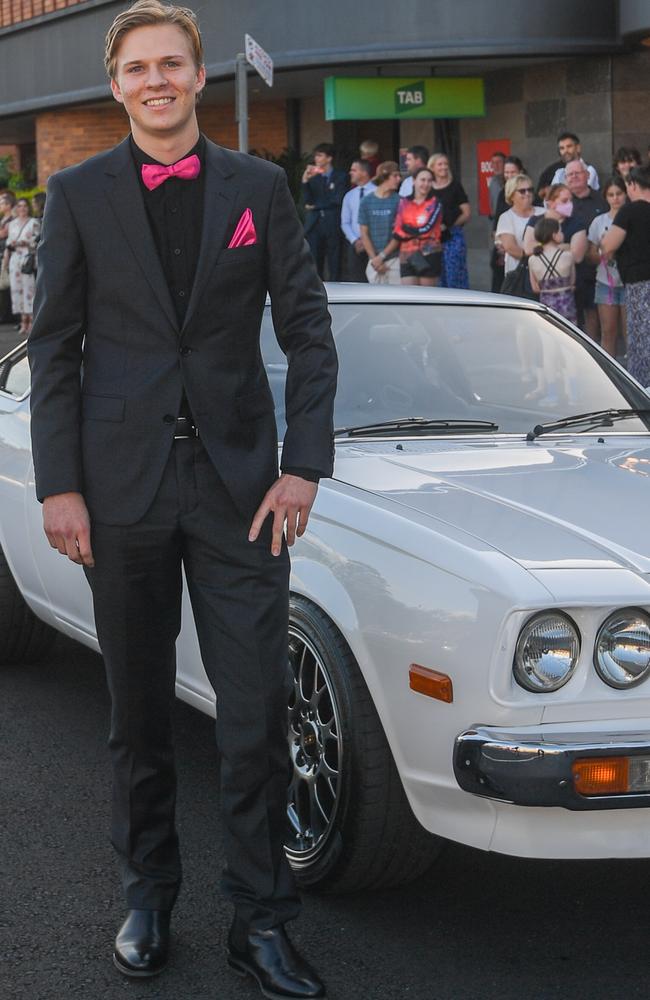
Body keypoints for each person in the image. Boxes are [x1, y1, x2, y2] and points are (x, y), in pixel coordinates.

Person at [27, 4, 337, 998]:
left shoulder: (259, 188)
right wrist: (60, 483)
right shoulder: (74, 194)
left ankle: (261, 919)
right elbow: (53, 351)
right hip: (117, 493)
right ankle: (146, 893)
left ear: (197, 76)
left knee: (253, 714)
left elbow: (307, 328)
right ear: (114, 84)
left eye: (171, 63)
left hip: (243, 490)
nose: (155, 80)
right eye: (137, 67)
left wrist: (303, 464)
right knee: (138, 717)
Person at [601, 164, 650, 385]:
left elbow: (608, 245)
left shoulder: (630, 210)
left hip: (640, 284)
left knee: (641, 341)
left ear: (631, 184)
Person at [564, 157, 607, 338]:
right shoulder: (563, 201)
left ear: (587, 175)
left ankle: (592, 353)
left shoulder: (601, 199)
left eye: (577, 173)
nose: (573, 177)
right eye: (570, 174)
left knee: (593, 315)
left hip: (596, 268)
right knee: (569, 317)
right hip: (569, 267)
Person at [587, 175, 627, 358]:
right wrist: (603, 253)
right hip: (605, 281)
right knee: (608, 331)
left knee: (631, 333)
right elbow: (590, 254)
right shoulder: (599, 221)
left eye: (619, 193)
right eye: (611, 194)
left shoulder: (632, 217)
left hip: (629, 282)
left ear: (626, 194)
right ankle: (609, 374)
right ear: (606, 197)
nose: (615, 198)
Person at [301, 142, 347, 281]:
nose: (317, 159)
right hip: (315, 224)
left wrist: (316, 206)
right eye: (316, 156)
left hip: (332, 222)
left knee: (334, 260)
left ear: (329, 158)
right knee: (315, 259)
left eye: (320, 155)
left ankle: (337, 289)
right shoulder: (313, 176)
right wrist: (305, 181)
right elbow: (307, 201)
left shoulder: (341, 176)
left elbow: (337, 199)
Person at [392, 167, 443, 286]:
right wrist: (415, 231)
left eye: (429, 181)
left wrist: (408, 229)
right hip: (407, 254)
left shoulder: (435, 202)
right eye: (422, 180)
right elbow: (397, 230)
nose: (426, 184)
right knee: (408, 297)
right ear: (414, 181)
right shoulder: (403, 202)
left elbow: (427, 229)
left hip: (429, 253)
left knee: (427, 298)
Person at [428, 152, 470, 288]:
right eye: (440, 164)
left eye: (446, 164)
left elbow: (466, 213)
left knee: (455, 275)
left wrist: (448, 226)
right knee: (437, 277)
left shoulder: (455, 186)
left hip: (453, 236)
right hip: (431, 238)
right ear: (432, 167)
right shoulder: (427, 188)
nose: (444, 167)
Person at [495, 174, 544, 283]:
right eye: (522, 191)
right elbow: (510, 247)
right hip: (518, 274)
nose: (527, 194)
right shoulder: (506, 218)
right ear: (512, 195)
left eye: (530, 190)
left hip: (543, 271)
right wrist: (535, 256)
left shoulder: (544, 212)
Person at [358, 161, 401, 284]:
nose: (399, 179)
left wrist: (382, 256)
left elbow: (399, 233)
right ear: (384, 176)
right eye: (395, 175)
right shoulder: (366, 201)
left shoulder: (399, 201)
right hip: (373, 261)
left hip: (394, 259)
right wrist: (374, 259)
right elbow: (364, 233)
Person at [523, 182, 587, 264]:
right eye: (564, 201)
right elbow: (528, 249)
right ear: (551, 203)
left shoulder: (577, 224)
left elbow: (577, 256)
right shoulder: (535, 221)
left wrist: (541, 247)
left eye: (571, 200)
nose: (569, 204)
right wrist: (564, 247)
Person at [2, 196, 40, 335]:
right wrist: (5, 264)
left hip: (27, 259)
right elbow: (8, 244)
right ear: (16, 209)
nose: (22, 208)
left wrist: (27, 243)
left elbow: (38, 241)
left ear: (28, 207)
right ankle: (23, 322)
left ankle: (31, 322)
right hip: (15, 261)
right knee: (17, 291)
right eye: (19, 206)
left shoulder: (34, 222)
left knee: (29, 290)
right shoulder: (11, 224)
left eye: (24, 206)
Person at [528, 216, 577, 323]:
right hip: (567, 304)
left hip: (546, 305)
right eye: (560, 231)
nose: (562, 233)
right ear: (554, 235)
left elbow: (535, 288)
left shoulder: (532, 259)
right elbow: (572, 282)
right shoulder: (568, 256)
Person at [340, 159, 375, 281]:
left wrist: (367, 240)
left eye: (354, 170)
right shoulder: (349, 195)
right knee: (356, 279)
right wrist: (355, 240)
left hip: (375, 243)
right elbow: (345, 222)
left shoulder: (377, 192)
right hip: (355, 245)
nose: (350, 173)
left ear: (364, 173)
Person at [0, 191, 16, 324]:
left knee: (6, 286)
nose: (0, 205)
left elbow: (4, 234)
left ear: (9, 204)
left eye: (2, 202)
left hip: (8, 253)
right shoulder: (4, 219)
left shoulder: (11, 219)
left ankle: (8, 316)